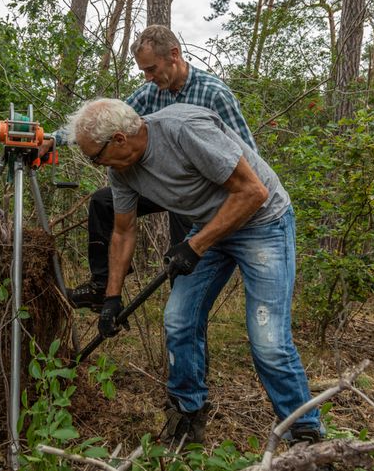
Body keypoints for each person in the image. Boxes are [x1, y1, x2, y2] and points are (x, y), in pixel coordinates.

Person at [66, 98, 321, 446]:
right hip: (209, 227)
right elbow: (124, 232)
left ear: (119, 140)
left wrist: (195, 246)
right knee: (178, 321)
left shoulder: (184, 131)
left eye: (94, 156)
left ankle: (304, 432)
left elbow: (253, 192)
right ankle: (187, 415)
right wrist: (111, 297)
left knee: (269, 341)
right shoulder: (120, 170)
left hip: (263, 222)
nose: (95, 163)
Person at [43, 25, 257, 311]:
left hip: (202, 190)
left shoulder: (214, 94)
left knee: (184, 242)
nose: (148, 77)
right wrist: (53, 140)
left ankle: (185, 307)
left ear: (174, 55)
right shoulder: (149, 93)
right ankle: (102, 286)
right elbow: (106, 124)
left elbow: (248, 155)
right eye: (143, 71)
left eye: (152, 69)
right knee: (104, 202)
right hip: (163, 183)